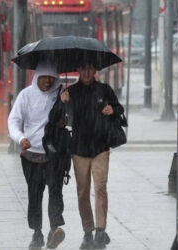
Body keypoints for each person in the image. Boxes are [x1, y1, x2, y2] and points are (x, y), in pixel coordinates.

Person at [59, 63, 124, 249]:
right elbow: (61, 117)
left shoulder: (104, 90)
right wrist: (62, 101)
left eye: (90, 69)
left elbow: (119, 109)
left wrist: (113, 110)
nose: (86, 72)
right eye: (83, 69)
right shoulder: (70, 92)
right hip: (79, 149)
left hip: (101, 147)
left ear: (95, 71)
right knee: (82, 192)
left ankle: (100, 230)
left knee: (101, 187)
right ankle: (88, 231)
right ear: (78, 71)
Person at [8, 61, 66, 249]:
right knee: (35, 194)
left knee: (55, 192)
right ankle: (37, 233)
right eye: (44, 78)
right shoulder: (25, 95)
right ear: (37, 78)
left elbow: (71, 119)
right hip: (31, 155)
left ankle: (54, 229)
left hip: (54, 155)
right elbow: (14, 121)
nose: (48, 82)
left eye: (51, 78)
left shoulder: (62, 95)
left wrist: (66, 108)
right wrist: (20, 138)